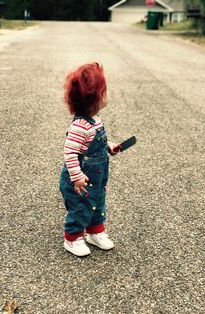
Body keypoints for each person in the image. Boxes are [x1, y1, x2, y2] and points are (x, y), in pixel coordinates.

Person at [60, 62, 120, 257]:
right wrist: (76, 176)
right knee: (80, 207)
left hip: (97, 177)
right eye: (105, 91)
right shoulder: (80, 126)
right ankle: (72, 237)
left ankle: (95, 232)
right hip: (80, 180)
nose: (107, 94)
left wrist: (108, 145)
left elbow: (95, 142)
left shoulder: (95, 120)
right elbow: (69, 153)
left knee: (97, 203)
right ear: (95, 98)